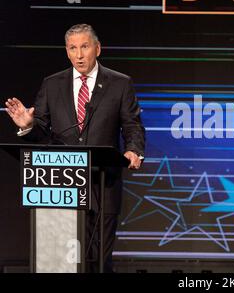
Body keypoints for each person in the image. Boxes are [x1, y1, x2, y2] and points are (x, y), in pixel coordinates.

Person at [4, 24, 145, 272]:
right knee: (65, 261)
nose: (79, 54)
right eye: (72, 48)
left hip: (104, 184)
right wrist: (28, 125)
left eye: (84, 46)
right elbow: (42, 130)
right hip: (62, 185)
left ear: (97, 49)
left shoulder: (120, 84)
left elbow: (132, 125)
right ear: (67, 52)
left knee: (99, 260)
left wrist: (133, 149)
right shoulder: (52, 84)